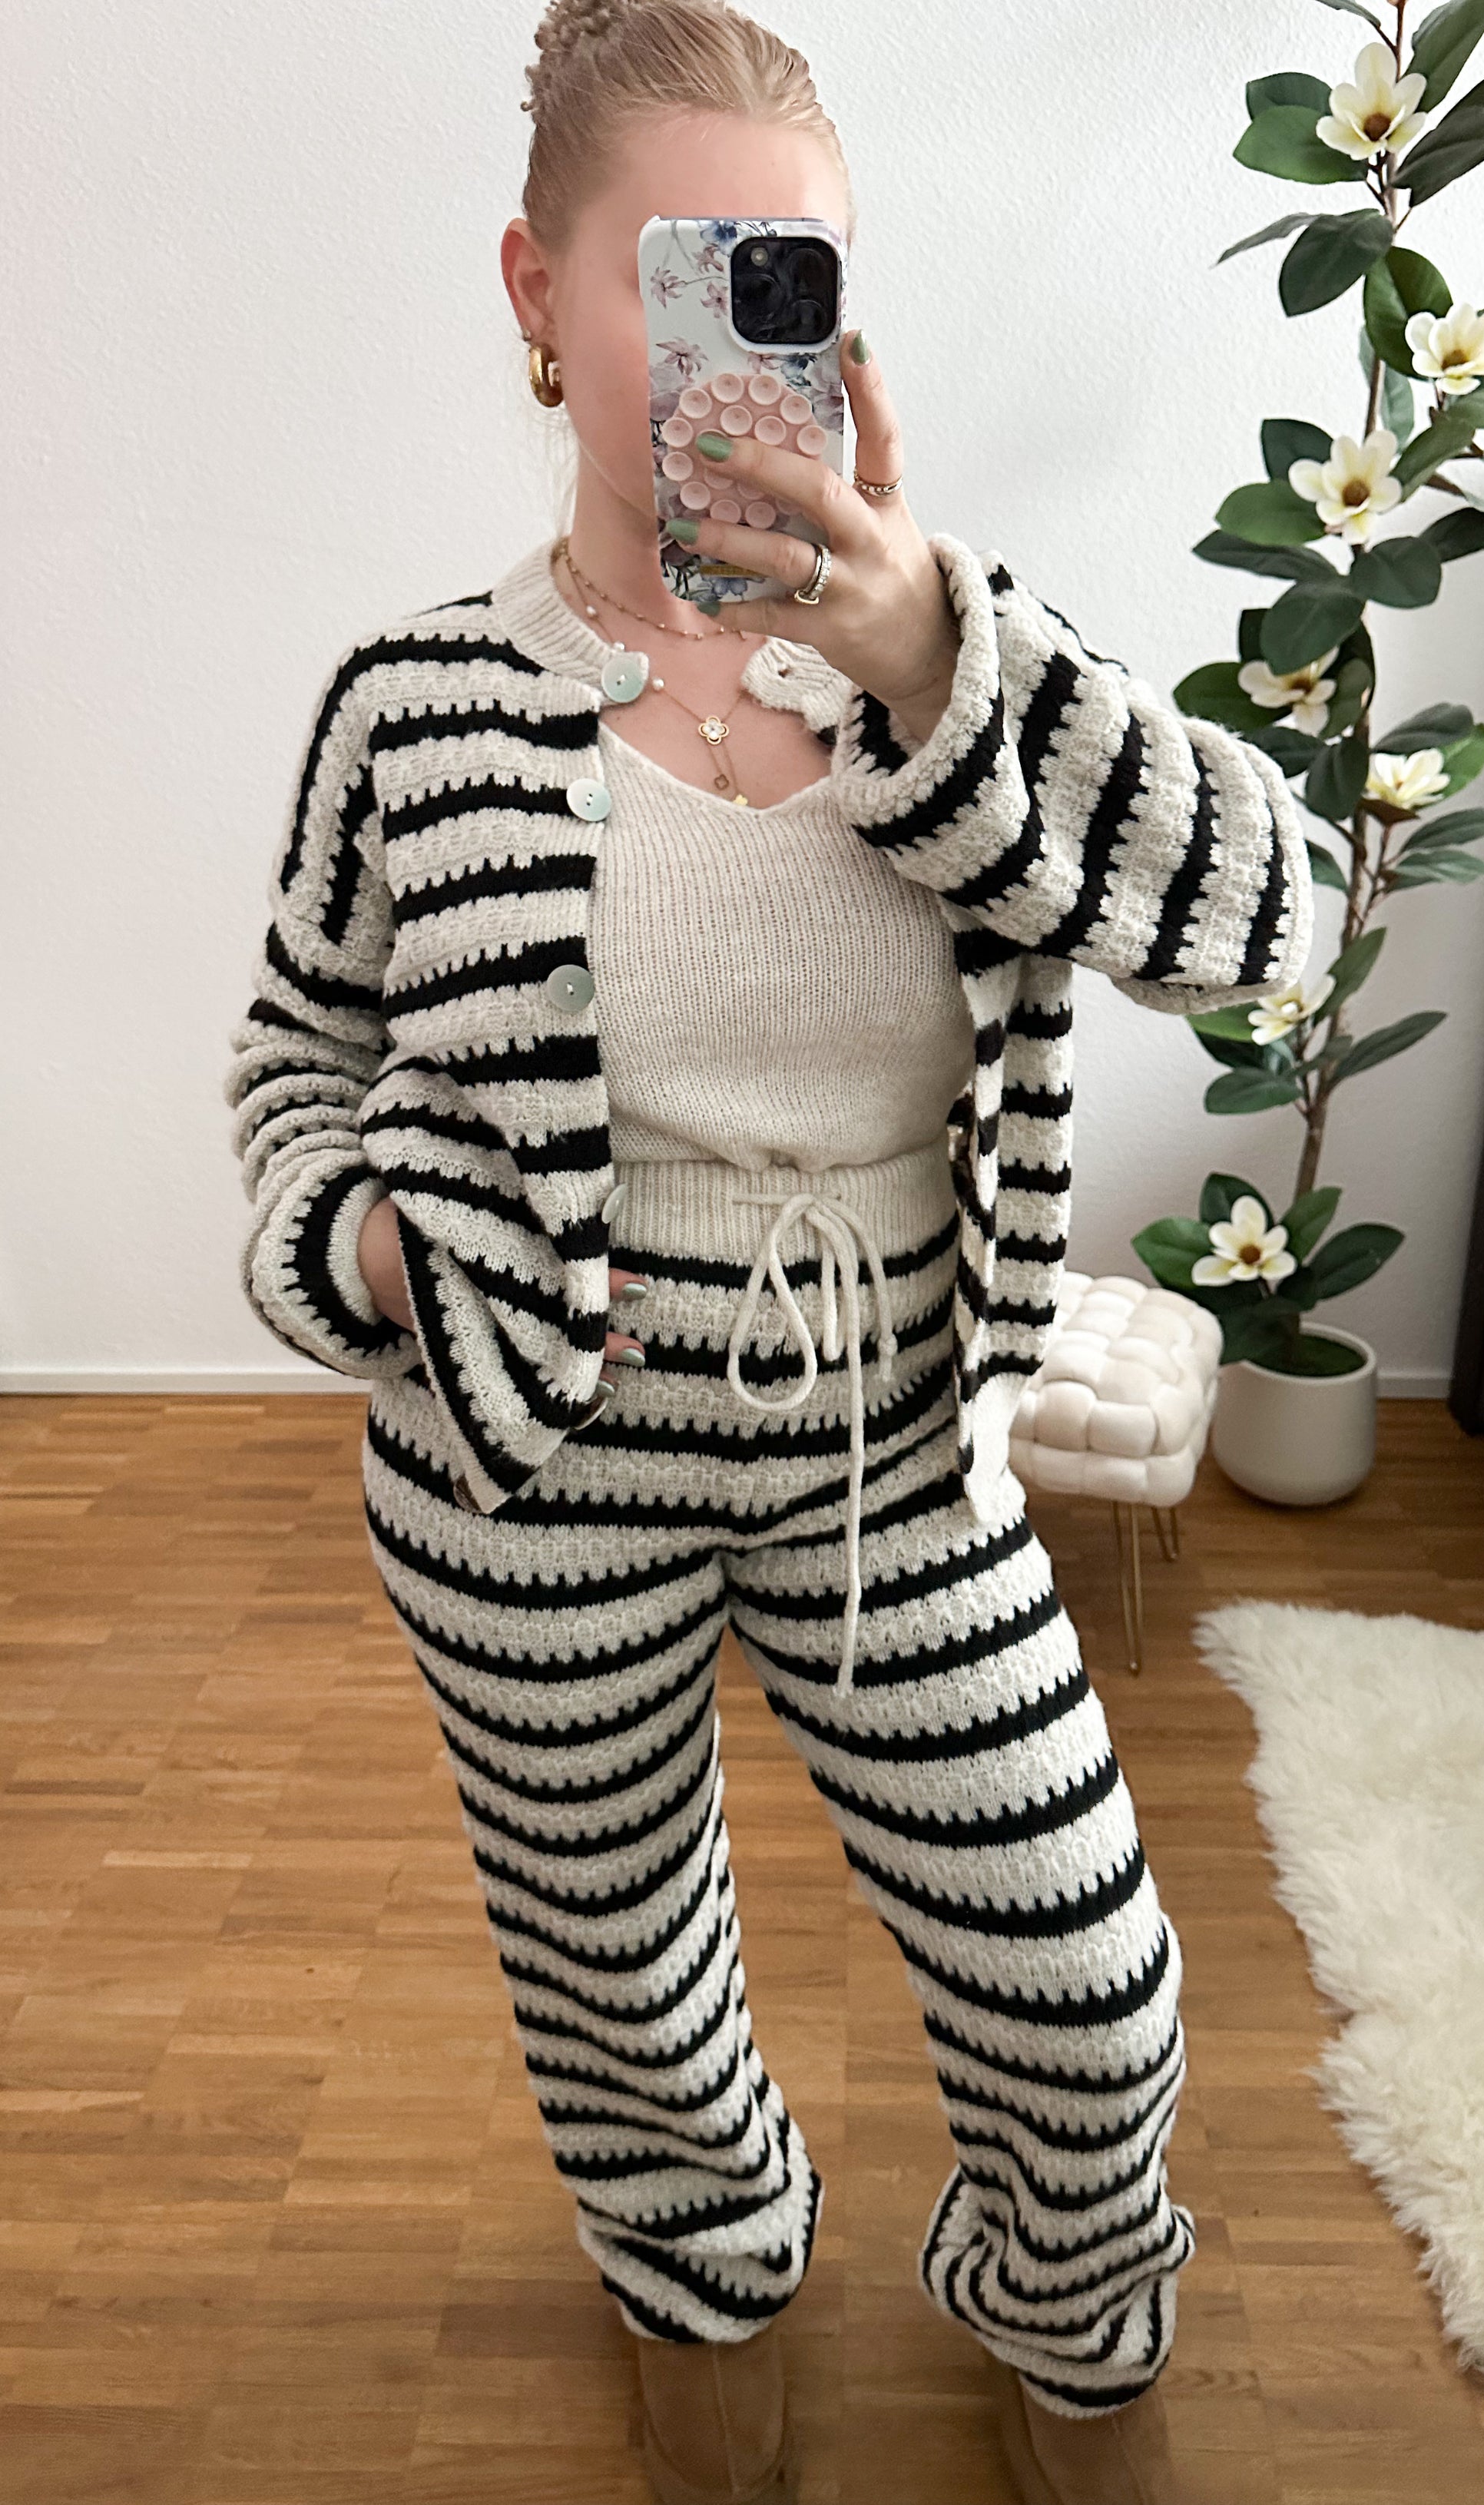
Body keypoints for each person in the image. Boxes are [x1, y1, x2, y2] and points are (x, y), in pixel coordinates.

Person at [225, 4, 1313, 2498]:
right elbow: (297, 1051)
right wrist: (365, 1246)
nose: (750, 327)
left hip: (886, 1459)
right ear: (540, 291)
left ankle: (1072, 2325)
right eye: (686, 266)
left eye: (795, 269)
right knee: (612, 1973)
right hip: (523, 1473)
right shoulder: (412, 701)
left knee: (1082, 1990)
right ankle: (701, 2295)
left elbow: (1271, 929)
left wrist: (933, 648)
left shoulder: (953, 655)